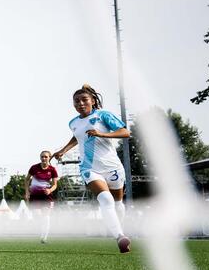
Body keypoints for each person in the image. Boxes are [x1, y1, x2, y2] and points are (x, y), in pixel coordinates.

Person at [53, 84, 132, 253]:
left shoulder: (103, 115)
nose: (80, 103)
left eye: (84, 100)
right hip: (89, 168)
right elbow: (77, 136)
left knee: (118, 203)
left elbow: (125, 132)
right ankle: (120, 237)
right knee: (105, 200)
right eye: (76, 101)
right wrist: (63, 150)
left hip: (112, 167)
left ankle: (120, 227)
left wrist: (102, 134)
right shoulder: (73, 122)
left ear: (93, 101)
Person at [24, 150, 58, 243]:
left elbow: (55, 185)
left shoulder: (52, 170)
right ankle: (41, 232)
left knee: (46, 216)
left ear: (49, 158)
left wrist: (50, 190)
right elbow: (26, 180)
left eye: (46, 157)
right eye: (42, 156)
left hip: (47, 196)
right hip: (35, 196)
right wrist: (27, 192)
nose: (44, 158)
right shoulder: (34, 168)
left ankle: (44, 238)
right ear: (40, 158)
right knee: (37, 215)